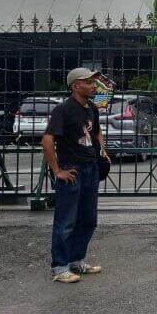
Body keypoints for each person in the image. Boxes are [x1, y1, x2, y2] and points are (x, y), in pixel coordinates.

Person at [43, 67, 111, 283]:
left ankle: (76, 260)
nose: (94, 85)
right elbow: (47, 140)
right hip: (72, 170)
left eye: (94, 81)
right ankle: (60, 266)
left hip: (91, 168)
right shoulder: (63, 110)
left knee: (88, 219)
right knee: (66, 220)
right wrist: (57, 170)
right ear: (76, 86)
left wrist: (102, 151)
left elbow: (96, 131)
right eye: (88, 82)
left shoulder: (91, 108)